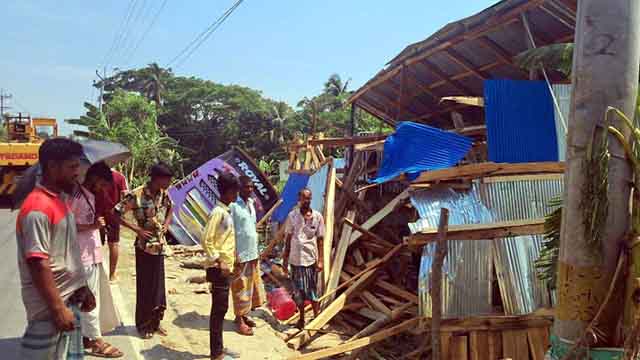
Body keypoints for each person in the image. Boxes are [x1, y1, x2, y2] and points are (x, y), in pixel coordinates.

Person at [17, 138, 96, 359]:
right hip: (49, 310)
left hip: (68, 300)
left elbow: (66, 253)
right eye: (72, 167)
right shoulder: (37, 208)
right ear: (52, 167)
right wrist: (58, 309)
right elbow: (38, 262)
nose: (77, 173)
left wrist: (82, 287)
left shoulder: (59, 201)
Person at [70, 163, 123, 358]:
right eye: (102, 183)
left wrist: (96, 223)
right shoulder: (76, 197)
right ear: (94, 179)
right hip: (81, 255)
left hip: (93, 253)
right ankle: (95, 340)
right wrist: (91, 225)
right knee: (89, 300)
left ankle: (86, 335)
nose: (103, 188)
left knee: (93, 297)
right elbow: (66, 225)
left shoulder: (90, 195)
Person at [114, 162, 173, 339]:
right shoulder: (137, 194)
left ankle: (155, 323)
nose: (169, 183)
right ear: (156, 178)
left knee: (158, 288)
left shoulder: (163, 194)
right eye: (166, 179)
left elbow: (171, 208)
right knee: (145, 287)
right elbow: (115, 213)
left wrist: (166, 225)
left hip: (159, 247)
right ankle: (143, 325)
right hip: (144, 248)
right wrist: (136, 229)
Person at [203, 173, 240, 360]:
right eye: (235, 191)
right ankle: (216, 352)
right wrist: (219, 260)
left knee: (222, 309)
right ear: (228, 191)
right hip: (219, 269)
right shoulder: (217, 213)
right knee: (219, 311)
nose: (237, 195)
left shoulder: (226, 211)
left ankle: (218, 348)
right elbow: (206, 240)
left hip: (225, 268)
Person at [283, 188, 325, 330]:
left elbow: (320, 240)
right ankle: (301, 319)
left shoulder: (317, 217)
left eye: (309, 198)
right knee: (299, 293)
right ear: (299, 199)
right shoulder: (292, 216)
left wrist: (321, 260)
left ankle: (316, 318)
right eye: (304, 198)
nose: (306, 201)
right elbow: (288, 239)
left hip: (310, 261)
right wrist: (284, 261)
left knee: (312, 292)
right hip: (295, 261)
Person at [229, 176, 266, 336]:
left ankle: (244, 315)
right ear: (239, 188)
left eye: (251, 187)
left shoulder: (250, 204)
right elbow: (229, 232)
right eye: (246, 187)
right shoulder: (233, 206)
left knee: (249, 288)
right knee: (239, 287)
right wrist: (233, 252)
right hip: (239, 254)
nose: (250, 190)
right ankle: (239, 319)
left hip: (251, 252)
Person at [95, 166, 128, 282]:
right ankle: (112, 275)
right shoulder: (120, 177)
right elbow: (125, 196)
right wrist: (121, 213)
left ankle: (96, 272)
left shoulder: (96, 176)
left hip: (97, 212)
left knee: (96, 243)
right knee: (113, 244)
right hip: (114, 214)